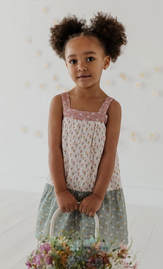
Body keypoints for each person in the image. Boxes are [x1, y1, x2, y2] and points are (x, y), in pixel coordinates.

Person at [35, 11, 129, 249]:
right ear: (66, 65)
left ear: (105, 61)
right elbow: (54, 149)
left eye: (90, 58)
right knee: (60, 249)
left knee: (94, 252)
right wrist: (61, 190)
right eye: (73, 61)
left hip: (96, 191)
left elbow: (110, 154)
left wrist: (98, 196)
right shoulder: (59, 102)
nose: (81, 67)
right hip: (64, 188)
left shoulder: (111, 107)